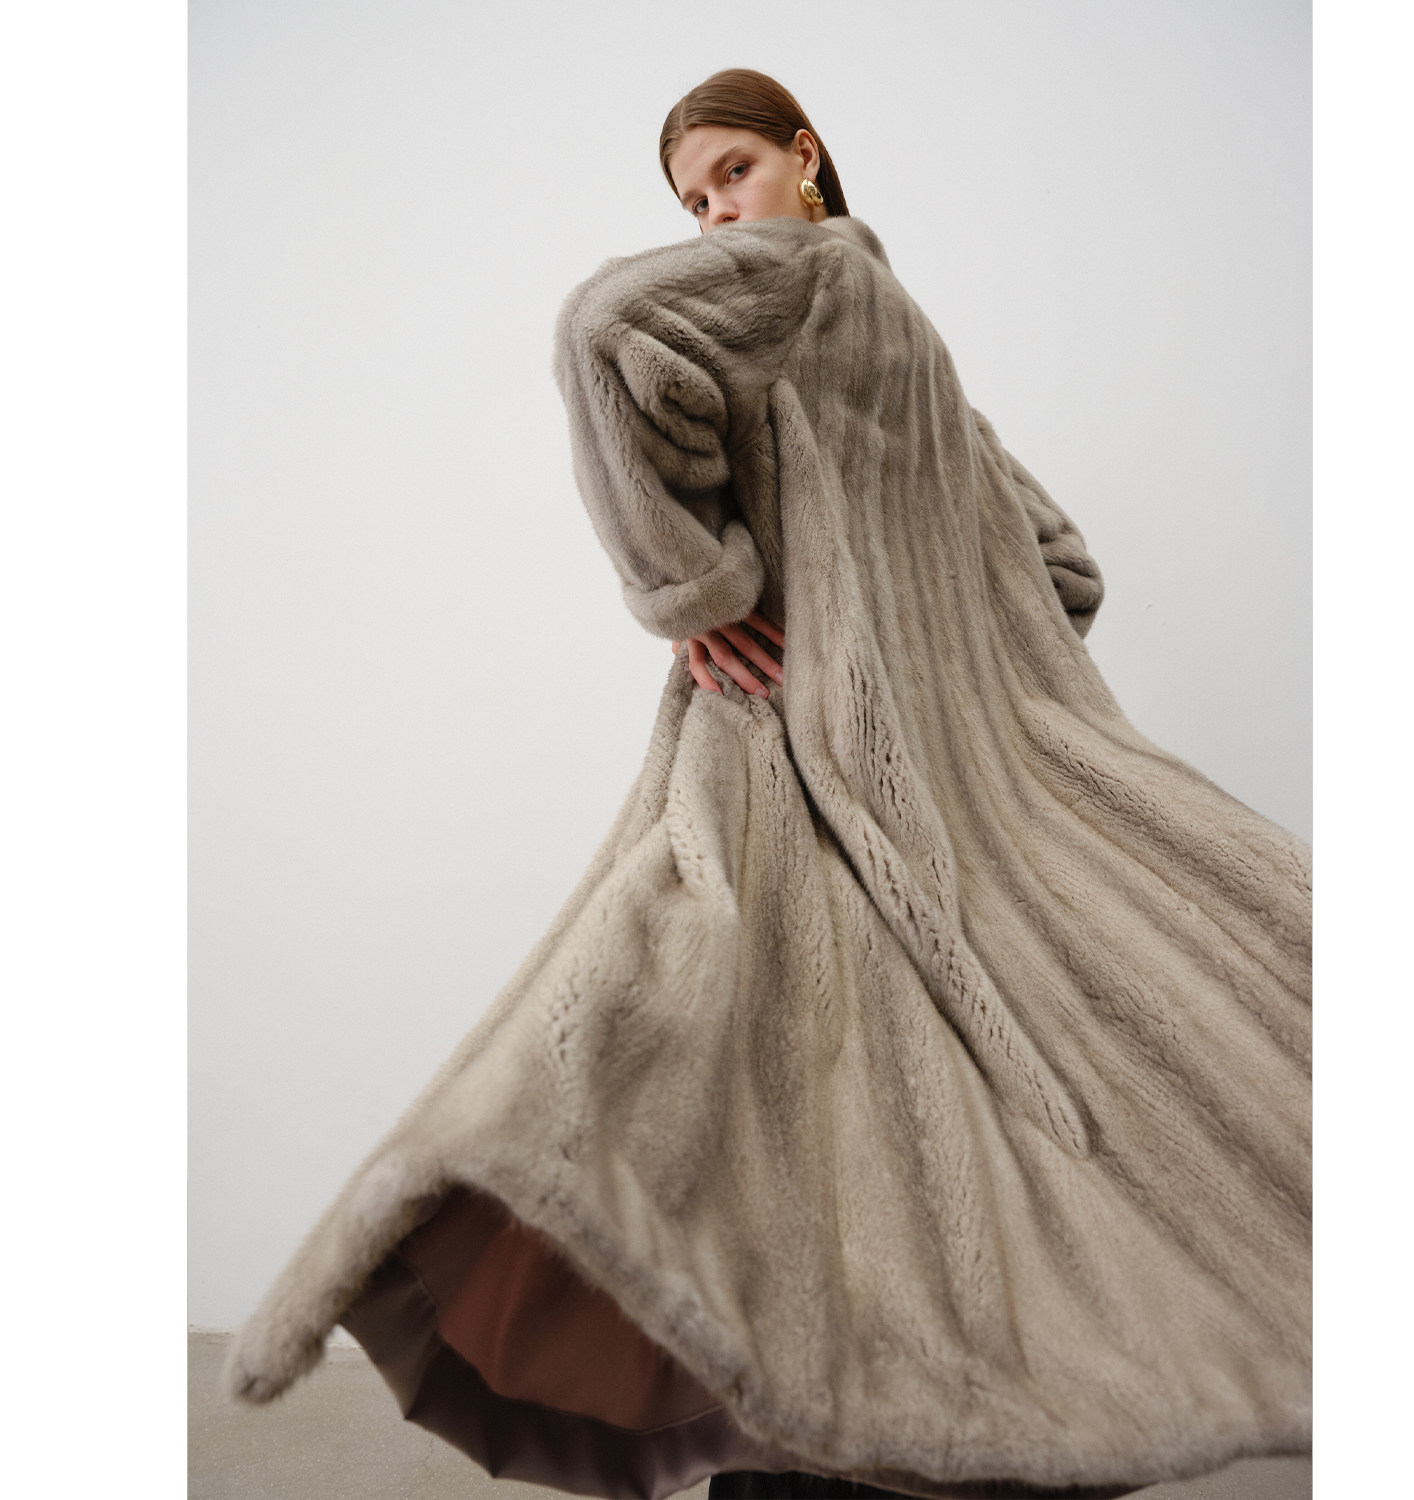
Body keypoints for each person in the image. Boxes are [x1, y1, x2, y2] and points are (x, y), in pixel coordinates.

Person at [227, 68, 1310, 1500]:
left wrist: (698, 593)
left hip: (795, 779)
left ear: (806, 156)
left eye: (731, 172)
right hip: (954, 811)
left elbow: (599, 325)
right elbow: (1064, 568)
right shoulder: (914, 347)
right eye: (691, 201)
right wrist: (963, 687)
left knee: (744, 1108)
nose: (714, 218)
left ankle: (810, 1444)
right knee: (935, 1140)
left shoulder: (796, 285)